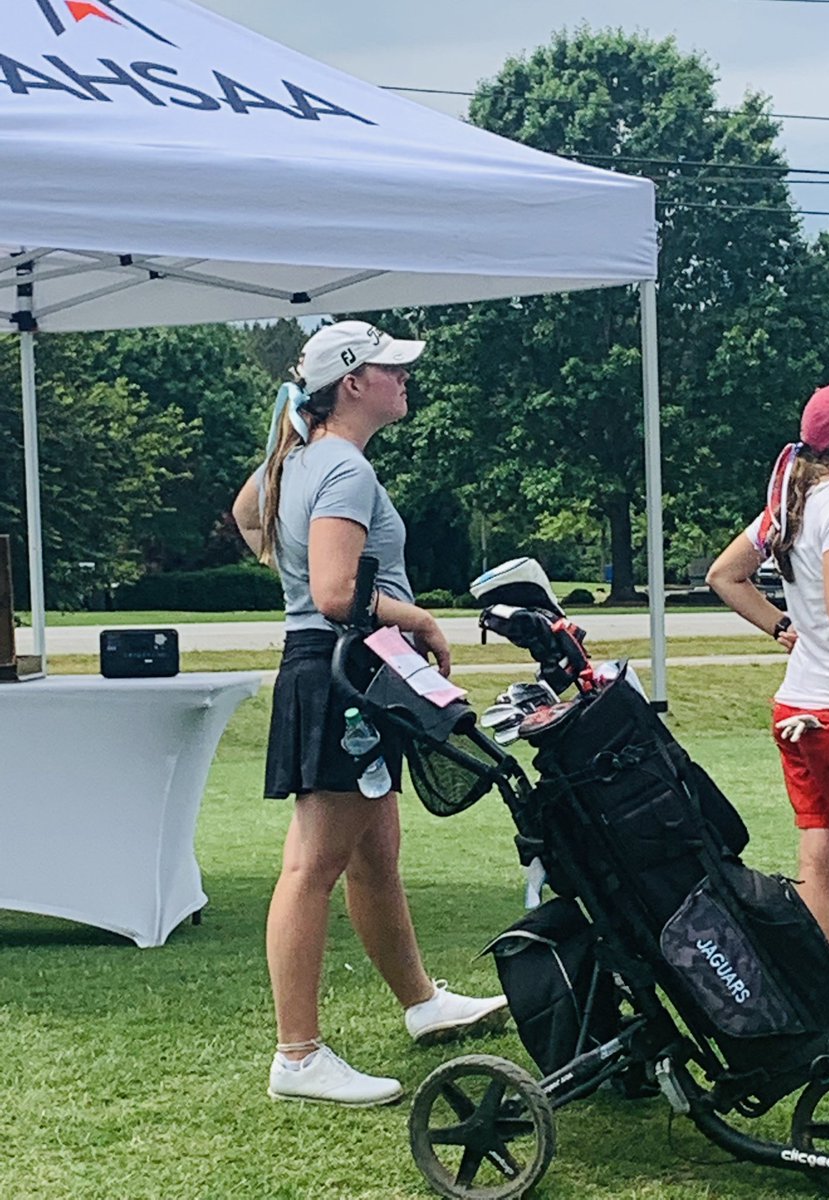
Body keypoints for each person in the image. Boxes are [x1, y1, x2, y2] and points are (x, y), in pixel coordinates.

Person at [232, 321, 508, 1107]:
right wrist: (419, 619)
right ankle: (298, 1055)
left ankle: (422, 1001)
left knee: (375, 854)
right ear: (353, 383)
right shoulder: (344, 469)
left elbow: (249, 514)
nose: (404, 379)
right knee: (313, 865)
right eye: (392, 369)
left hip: (336, 671)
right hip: (341, 672)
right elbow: (332, 592)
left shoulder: (302, 458)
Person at [707, 381, 829, 1043]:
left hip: (801, 705)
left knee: (818, 861)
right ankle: (798, 959)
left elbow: (724, 575)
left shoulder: (795, 499)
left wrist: (782, 627)